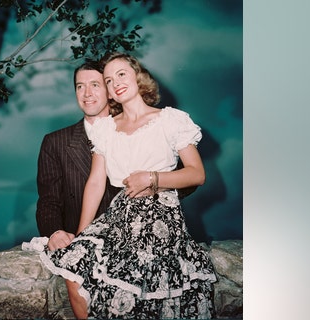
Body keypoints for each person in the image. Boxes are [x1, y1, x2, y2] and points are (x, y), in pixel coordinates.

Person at [38, 52, 217, 319]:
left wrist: (153, 179)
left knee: (144, 291)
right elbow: (96, 182)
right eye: (108, 80)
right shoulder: (106, 129)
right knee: (74, 267)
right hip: (118, 217)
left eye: (121, 74)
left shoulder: (171, 120)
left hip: (160, 220)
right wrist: (82, 234)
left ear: (138, 76)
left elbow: (197, 174)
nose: (116, 83)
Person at [36, 60, 196, 251]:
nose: (87, 93)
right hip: (83, 238)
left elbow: (189, 176)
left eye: (95, 85)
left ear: (109, 91)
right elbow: (49, 200)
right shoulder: (55, 142)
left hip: (144, 232)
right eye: (80, 86)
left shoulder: (152, 126)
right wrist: (55, 232)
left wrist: (155, 186)